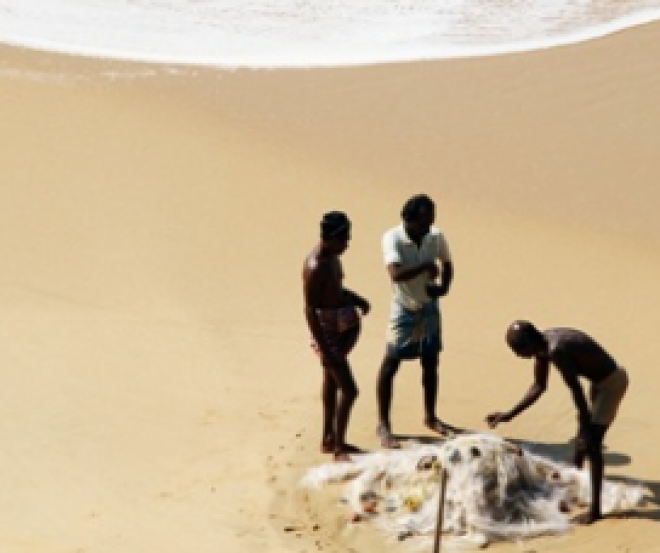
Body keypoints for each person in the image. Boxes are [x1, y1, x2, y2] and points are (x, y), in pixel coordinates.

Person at [486, 320, 629, 524]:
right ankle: (575, 489)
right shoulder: (542, 347)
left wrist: (587, 425)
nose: (518, 356)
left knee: (592, 445)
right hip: (598, 383)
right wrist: (510, 414)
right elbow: (539, 386)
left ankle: (595, 511)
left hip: (612, 383)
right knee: (581, 441)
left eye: (518, 351)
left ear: (529, 344)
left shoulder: (556, 350)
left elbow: (575, 388)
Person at [376, 194, 456, 449]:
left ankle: (430, 416)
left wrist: (443, 287)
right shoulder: (392, 238)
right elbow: (396, 274)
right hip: (404, 308)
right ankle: (383, 424)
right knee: (391, 363)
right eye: (423, 222)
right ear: (408, 220)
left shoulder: (435, 235)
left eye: (431, 221)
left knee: (431, 362)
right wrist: (424, 266)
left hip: (429, 307)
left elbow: (448, 263)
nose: (428, 228)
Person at [303, 211, 370, 462]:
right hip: (326, 331)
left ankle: (328, 438)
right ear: (330, 239)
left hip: (338, 322)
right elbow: (309, 309)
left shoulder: (333, 257)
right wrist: (324, 346)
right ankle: (339, 447)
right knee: (350, 390)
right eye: (343, 240)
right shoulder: (315, 266)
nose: (347, 245)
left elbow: (336, 290)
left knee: (331, 382)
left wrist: (356, 299)